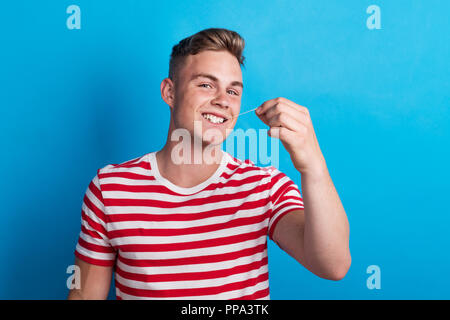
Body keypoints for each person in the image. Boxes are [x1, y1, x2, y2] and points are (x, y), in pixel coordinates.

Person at [68, 28, 351, 300]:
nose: (222, 101)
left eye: (233, 91)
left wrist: (313, 165)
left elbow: (333, 265)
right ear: (169, 92)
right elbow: (84, 294)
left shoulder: (264, 186)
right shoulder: (111, 189)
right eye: (206, 85)